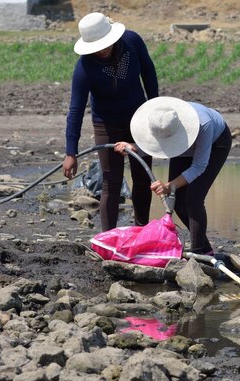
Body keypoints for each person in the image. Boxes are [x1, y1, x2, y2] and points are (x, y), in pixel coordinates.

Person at [63, 12, 159, 231]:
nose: (101, 50)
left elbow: (149, 73)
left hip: (139, 119)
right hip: (106, 123)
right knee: (111, 182)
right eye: (96, 46)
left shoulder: (132, 42)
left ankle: (140, 231)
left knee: (143, 177)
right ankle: (108, 238)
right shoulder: (85, 67)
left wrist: (155, 109)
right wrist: (71, 153)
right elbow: (76, 111)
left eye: (104, 44)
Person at [114, 96, 232, 256]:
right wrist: (134, 147)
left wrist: (169, 185)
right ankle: (206, 250)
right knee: (177, 202)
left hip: (216, 143)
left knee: (193, 200)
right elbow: (155, 144)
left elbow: (199, 166)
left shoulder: (204, 123)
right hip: (182, 145)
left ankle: (197, 254)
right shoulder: (159, 120)